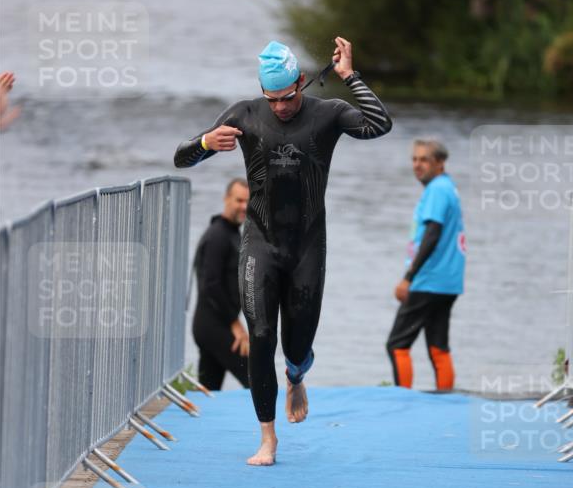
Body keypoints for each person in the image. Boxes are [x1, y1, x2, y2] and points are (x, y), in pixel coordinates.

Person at [174, 37, 392, 466]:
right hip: (260, 243)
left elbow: (380, 124)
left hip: (308, 246)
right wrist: (204, 144)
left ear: (302, 82)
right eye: (271, 99)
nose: (279, 108)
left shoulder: (327, 114)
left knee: (297, 344)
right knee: (260, 338)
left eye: (287, 97)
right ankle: (267, 439)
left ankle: (296, 375)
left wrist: (350, 76)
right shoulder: (244, 114)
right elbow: (181, 158)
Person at [386, 139, 465, 391]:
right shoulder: (447, 187)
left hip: (428, 280)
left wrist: (409, 277)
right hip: (448, 281)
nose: (417, 165)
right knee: (437, 345)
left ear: (439, 164)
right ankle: (446, 398)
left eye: (424, 160)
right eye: (414, 159)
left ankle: (403, 400)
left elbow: (432, 233)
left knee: (397, 344)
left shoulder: (437, 190)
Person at [192, 178, 251, 391]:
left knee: (209, 389)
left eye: (248, 201)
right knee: (256, 376)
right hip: (213, 325)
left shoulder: (233, 233)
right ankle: (270, 424)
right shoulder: (218, 235)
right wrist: (234, 323)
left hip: (214, 323)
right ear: (226, 199)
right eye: (239, 200)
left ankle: (202, 422)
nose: (244, 206)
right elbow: (211, 285)